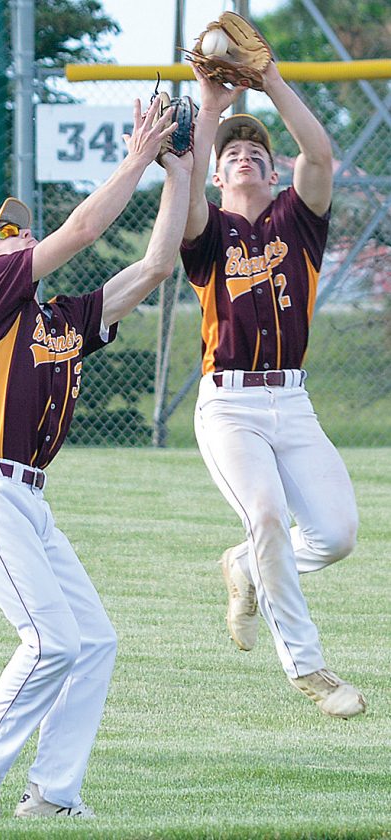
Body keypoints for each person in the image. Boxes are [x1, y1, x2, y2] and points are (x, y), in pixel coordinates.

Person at [0, 98, 193, 820]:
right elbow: (84, 229)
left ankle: (53, 795)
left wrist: (178, 172)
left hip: (28, 499)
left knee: (95, 642)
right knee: (51, 640)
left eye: (21, 231)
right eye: (4, 236)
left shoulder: (58, 321)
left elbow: (153, 267)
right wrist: (139, 154)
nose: (19, 238)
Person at [180, 62, 366, 719]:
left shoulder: (298, 221)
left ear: (272, 169)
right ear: (217, 173)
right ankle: (309, 668)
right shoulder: (203, 232)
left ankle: (246, 566)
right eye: (232, 153)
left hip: (293, 400)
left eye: (257, 151)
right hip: (229, 404)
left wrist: (271, 82)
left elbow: (319, 153)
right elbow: (188, 177)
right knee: (265, 514)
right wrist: (209, 109)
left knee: (337, 535)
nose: (245, 156)